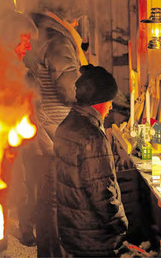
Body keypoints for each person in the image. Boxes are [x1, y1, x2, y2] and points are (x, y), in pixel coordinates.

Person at [22, 0, 88, 256]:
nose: (76, 24)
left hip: (40, 123)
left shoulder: (38, 29)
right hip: (55, 126)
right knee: (55, 199)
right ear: (67, 14)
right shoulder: (57, 39)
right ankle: (53, 253)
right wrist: (92, 88)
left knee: (44, 196)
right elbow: (69, 88)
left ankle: (48, 251)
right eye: (75, 19)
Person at [54, 64, 129, 257]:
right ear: (100, 101)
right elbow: (102, 193)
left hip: (71, 229)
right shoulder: (93, 137)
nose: (111, 106)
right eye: (109, 101)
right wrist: (120, 225)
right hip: (93, 236)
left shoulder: (66, 125)